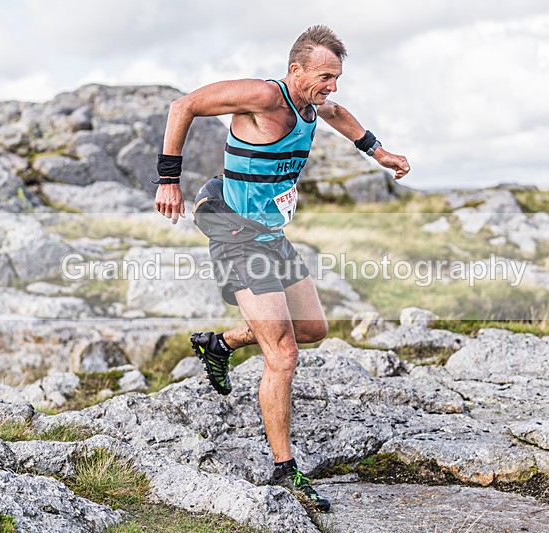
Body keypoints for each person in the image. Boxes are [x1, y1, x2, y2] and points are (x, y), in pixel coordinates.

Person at [154, 25, 410, 512]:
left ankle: (221, 344)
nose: (332, 86)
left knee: (311, 329)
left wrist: (379, 153)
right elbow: (182, 105)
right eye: (325, 76)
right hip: (234, 228)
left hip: (270, 233)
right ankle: (284, 469)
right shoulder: (263, 97)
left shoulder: (314, 105)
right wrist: (169, 180)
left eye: (337, 77)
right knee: (284, 353)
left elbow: (338, 115)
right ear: (296, 69)